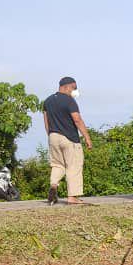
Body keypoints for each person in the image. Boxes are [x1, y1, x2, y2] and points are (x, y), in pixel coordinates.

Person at [43, 76, 91, 205]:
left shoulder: (48, 101)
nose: (75, 91)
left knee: (57, 165)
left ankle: (54, 185)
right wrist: (87, 137)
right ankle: (73, 197)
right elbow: (77, 119)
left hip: (53, 137)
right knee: (73, 166)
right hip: (69, 138)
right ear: (66, 86)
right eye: (74, 88)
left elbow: (46, 121)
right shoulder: (69, 101)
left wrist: (51, 135)